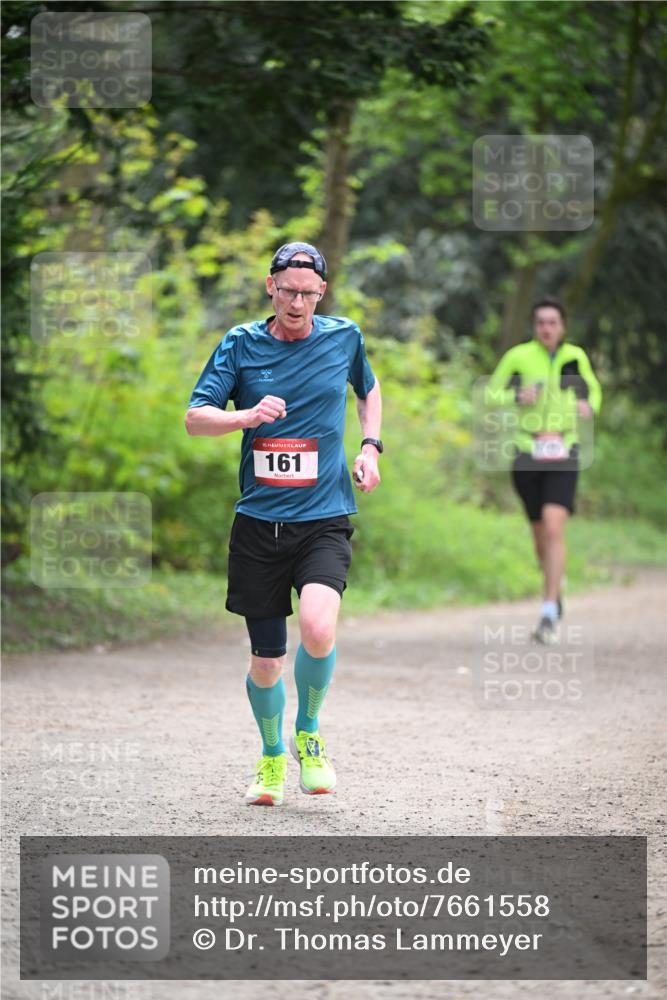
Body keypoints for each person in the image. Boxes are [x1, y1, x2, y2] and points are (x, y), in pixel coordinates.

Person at [185, 242, 382, 804]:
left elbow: (368, 389)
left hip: (323, 518)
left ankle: (309, 733)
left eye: (309, 293)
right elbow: (195, 419)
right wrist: (246, 416)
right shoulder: (241, 344)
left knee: (319, 628)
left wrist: (370, 446)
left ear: (322, 293)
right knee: (267, 660)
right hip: (259, 524)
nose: (298, 302)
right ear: (270, 287)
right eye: (289, 290)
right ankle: (272, 757)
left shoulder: (344, 337)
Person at [488, 297, 601, 643]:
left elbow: (594, 392)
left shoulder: (575, 357)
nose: (547, 328)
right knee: (540, 537)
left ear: (562, 326)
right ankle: (555, 590)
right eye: (540, 322)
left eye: (553, 322)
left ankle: (549, 610)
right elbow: (492, 394)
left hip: (564, 451)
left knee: (554, 529)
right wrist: (515, 397)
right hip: (527, 451)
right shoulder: (519, 357)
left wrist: (587, 405)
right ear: (534, 327)